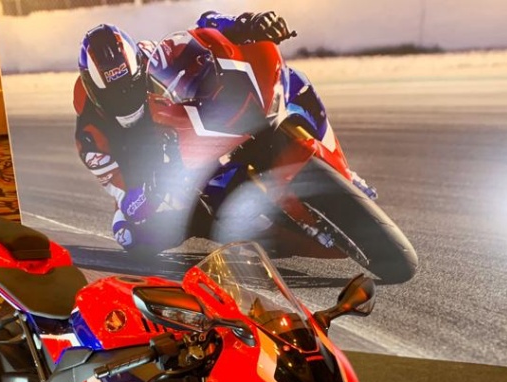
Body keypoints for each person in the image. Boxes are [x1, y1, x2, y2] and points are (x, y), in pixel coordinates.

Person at [73, 11, 372, 255]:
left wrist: (248, 24)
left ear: (138, 68)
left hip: (194, 131)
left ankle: (342, 167)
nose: (126, 98)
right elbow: (124, 196)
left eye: (130, 86)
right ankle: (230, 231)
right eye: (115, 94)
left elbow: (205, 29)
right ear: (93, 90)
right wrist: (148, 193)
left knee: (295, 82)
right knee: (129, 234)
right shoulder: (89, 138)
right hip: (155, 176)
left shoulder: (152, 57)